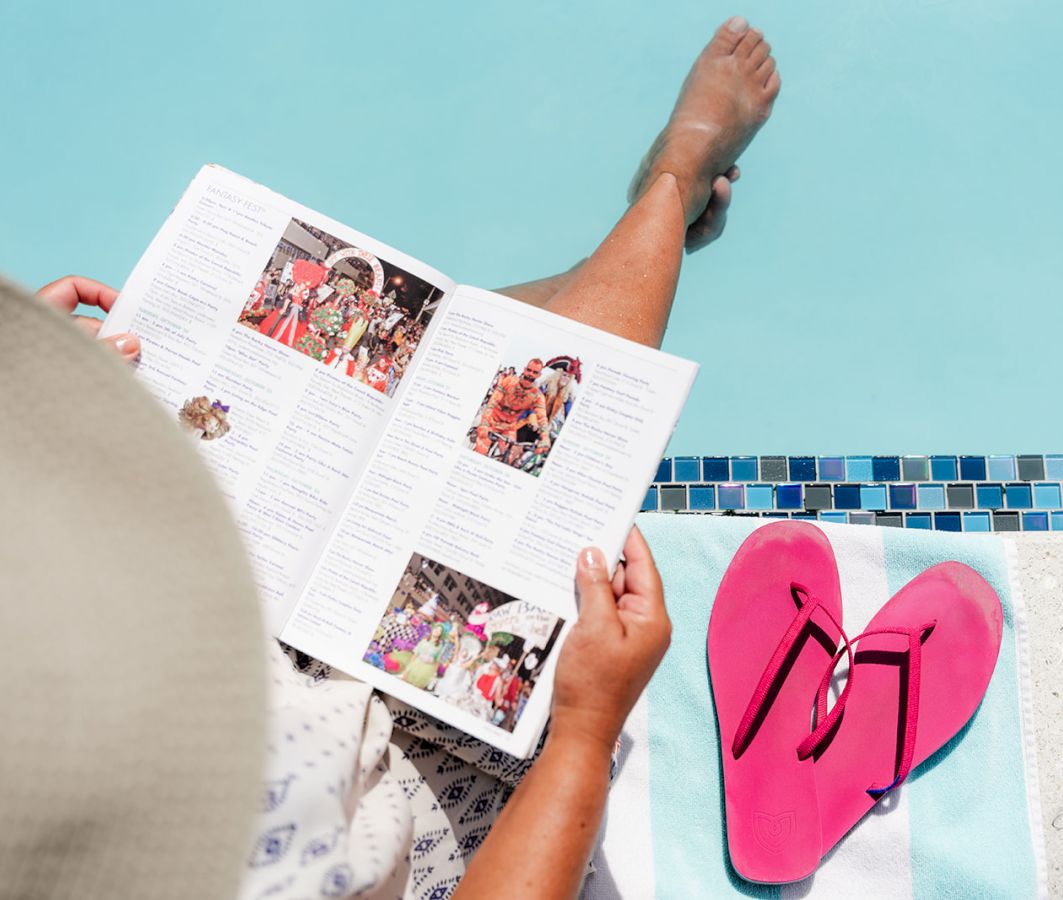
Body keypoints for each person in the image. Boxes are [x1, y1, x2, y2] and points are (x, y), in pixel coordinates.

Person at [25, 15, 779, 897]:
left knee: (383, 389)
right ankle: (668, 189)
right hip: (396, 783)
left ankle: (631, 238)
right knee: (529, 422)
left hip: (199, 652)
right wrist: (583, 725)